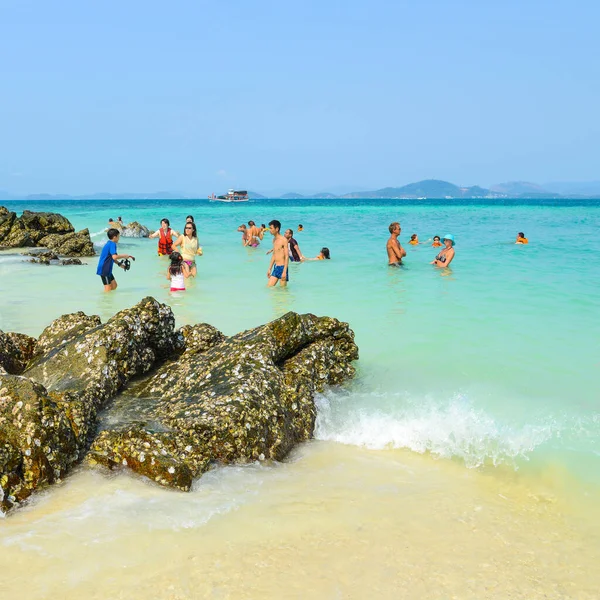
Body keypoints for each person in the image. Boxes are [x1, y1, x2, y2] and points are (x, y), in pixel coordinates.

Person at [267, 219, 289, 287]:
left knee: (283, 291)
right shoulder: (274, 240)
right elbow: (274, 255)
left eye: (271, 228)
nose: (269, 230)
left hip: (282, 268)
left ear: (277, 229)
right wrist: (269, 268)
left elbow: (287, 256)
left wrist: (285, 271)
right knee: (269, 287)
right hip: (276, 267)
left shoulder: (283, 240)